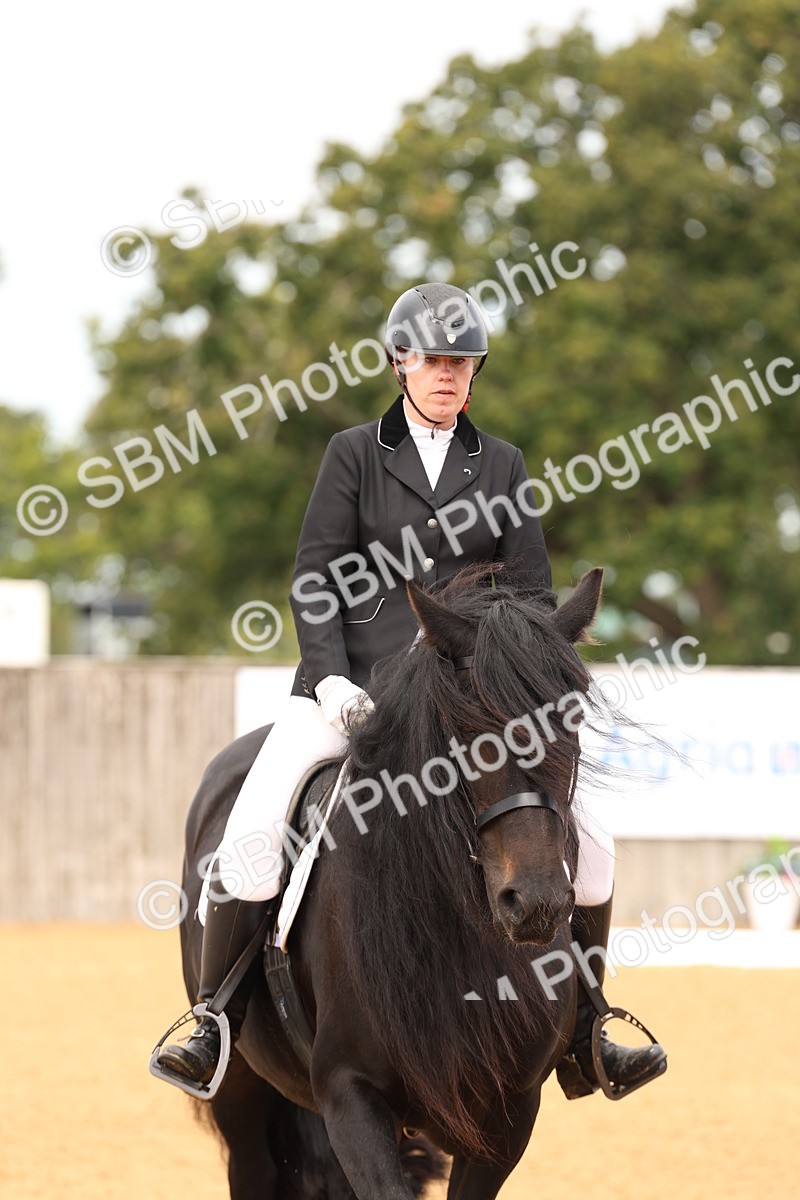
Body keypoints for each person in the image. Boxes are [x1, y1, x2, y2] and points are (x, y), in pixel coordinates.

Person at [157, 283, 667, 1099]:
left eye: (462, 362)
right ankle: (215, 1018)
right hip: (351, 689)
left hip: (469, 705)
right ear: (400, 363)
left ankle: (587, 1027)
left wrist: (518, 684)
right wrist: (326, 678)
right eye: (433, 359)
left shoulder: (501, 463)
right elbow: (316, 576)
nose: (447, 375)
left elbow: (531, 596)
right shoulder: (354, 453)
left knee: (593, 847)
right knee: (255, 831)